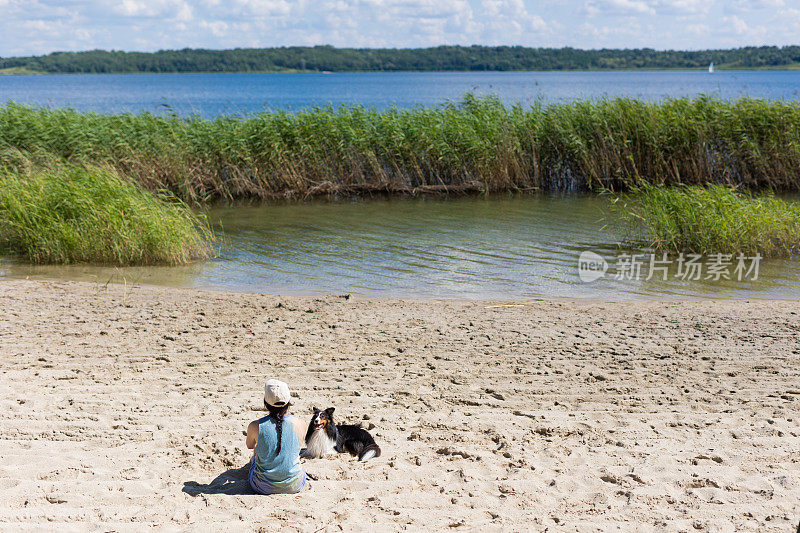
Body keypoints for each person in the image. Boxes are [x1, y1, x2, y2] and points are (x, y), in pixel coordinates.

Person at [246, 379, 307, 494]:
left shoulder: (255, 425)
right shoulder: (301, 423)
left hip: (262, 487)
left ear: (265, 403)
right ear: (288, 402)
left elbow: (250, 445)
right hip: (294, 485)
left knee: (256, 449)